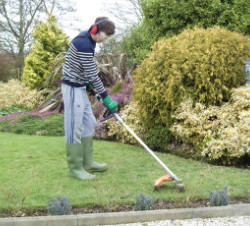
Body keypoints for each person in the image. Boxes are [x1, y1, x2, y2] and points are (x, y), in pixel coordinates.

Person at [62, 17, 118, 180]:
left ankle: (88, 162)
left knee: (89, 122)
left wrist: (89, 87)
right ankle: (75, 169)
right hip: (72, 88)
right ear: (94, 30)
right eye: (104, 36)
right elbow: (93, 74)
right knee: (74, 127)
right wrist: (106, 98)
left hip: (80, 86)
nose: (105, 40)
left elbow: (84, 70)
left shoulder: (90, 42)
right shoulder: (84, 44)